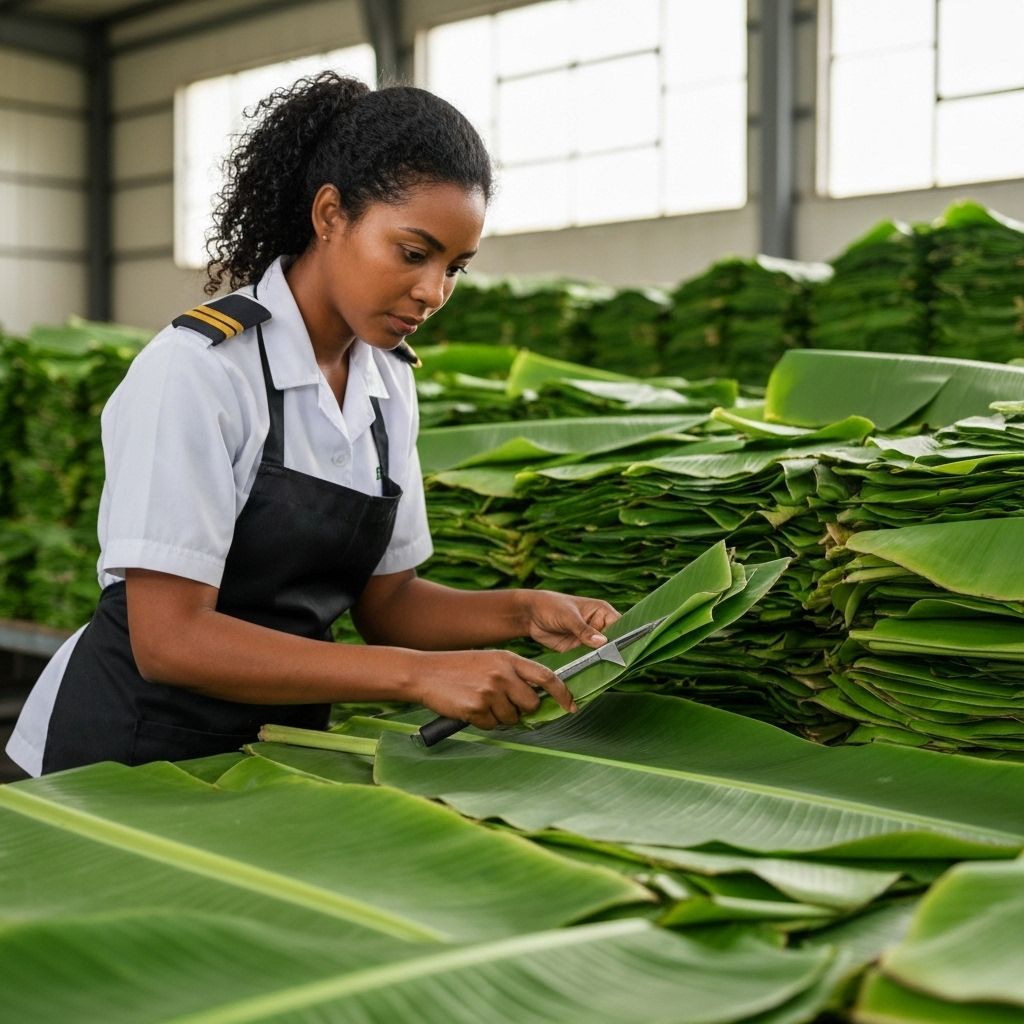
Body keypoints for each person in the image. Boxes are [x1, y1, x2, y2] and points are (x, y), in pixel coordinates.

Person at [6, 72, 619, 777]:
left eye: (457, 268)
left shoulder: (388, 384)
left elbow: (387, 602)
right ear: (330, 215)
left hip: (271, 754)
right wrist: (415, 677)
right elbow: (169, 640)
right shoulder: (201, 371)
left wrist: (522, 610)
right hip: (122, 754)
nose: (433, 292)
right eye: (414, 253)